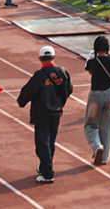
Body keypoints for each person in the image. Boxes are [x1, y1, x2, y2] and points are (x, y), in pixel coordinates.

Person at [17, 46, 73, 183]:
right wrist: (59, 102)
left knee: (43, 143)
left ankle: (48, 173)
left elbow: (27, 93)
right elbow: (69, 89)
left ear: (40, 59)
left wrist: (21, 101)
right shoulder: (62, 72)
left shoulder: (39, 75)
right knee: (50, 142)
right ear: (54, 57)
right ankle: (44, 167)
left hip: (41, 114)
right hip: (56, 113)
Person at [85, 35, 110, 166]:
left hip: (96, 95)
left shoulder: (92, 62)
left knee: (90, 125)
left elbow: (90, 72)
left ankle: (96, 145)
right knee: (107, 126)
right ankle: (104, 158)